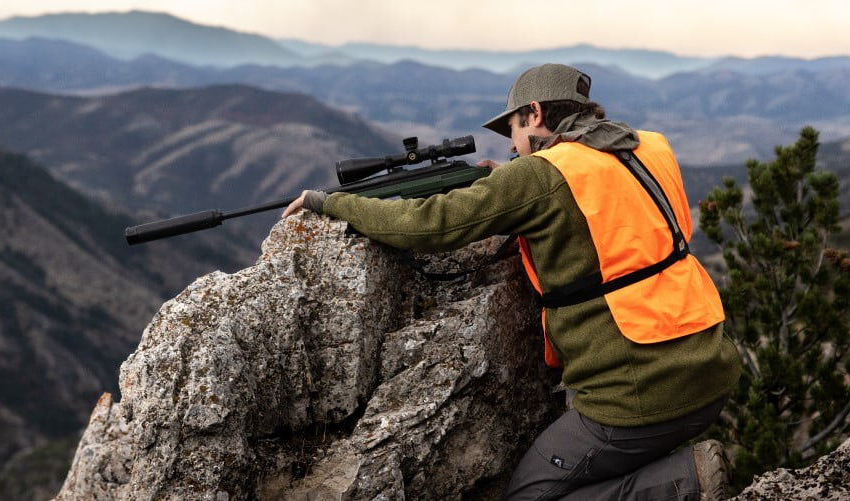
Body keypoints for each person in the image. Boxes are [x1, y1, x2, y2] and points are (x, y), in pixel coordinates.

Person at [281, 63, 741, 500]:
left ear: (536, 113)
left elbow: (430, 225)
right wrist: (514, 186)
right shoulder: (647, 147)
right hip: (710, 365)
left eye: (515, 131)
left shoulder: (542, 176)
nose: (513, 147)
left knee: (530, 494)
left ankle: (686, 481)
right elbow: (603, 206)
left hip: (643, 389)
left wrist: (335, 203)